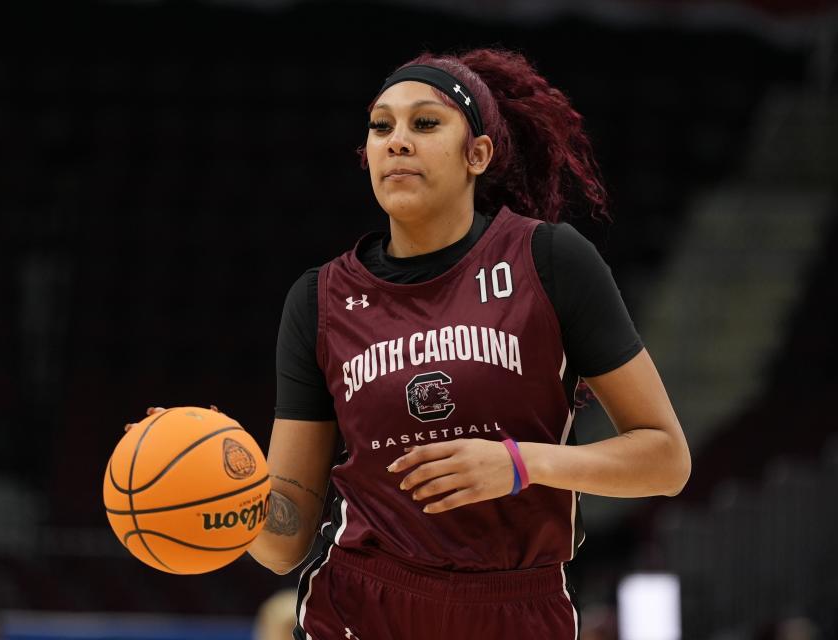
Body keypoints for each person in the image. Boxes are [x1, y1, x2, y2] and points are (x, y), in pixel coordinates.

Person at [131, 46, 690, 639]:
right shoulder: (319, 299)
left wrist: (523, 463)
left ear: (477, 154)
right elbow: (286, 535)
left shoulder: (549, 261)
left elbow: (665, 459)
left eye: (425, 123)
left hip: (517, 607)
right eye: (381, 127)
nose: (397, 140)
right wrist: (224, 500)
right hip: (359, 605)